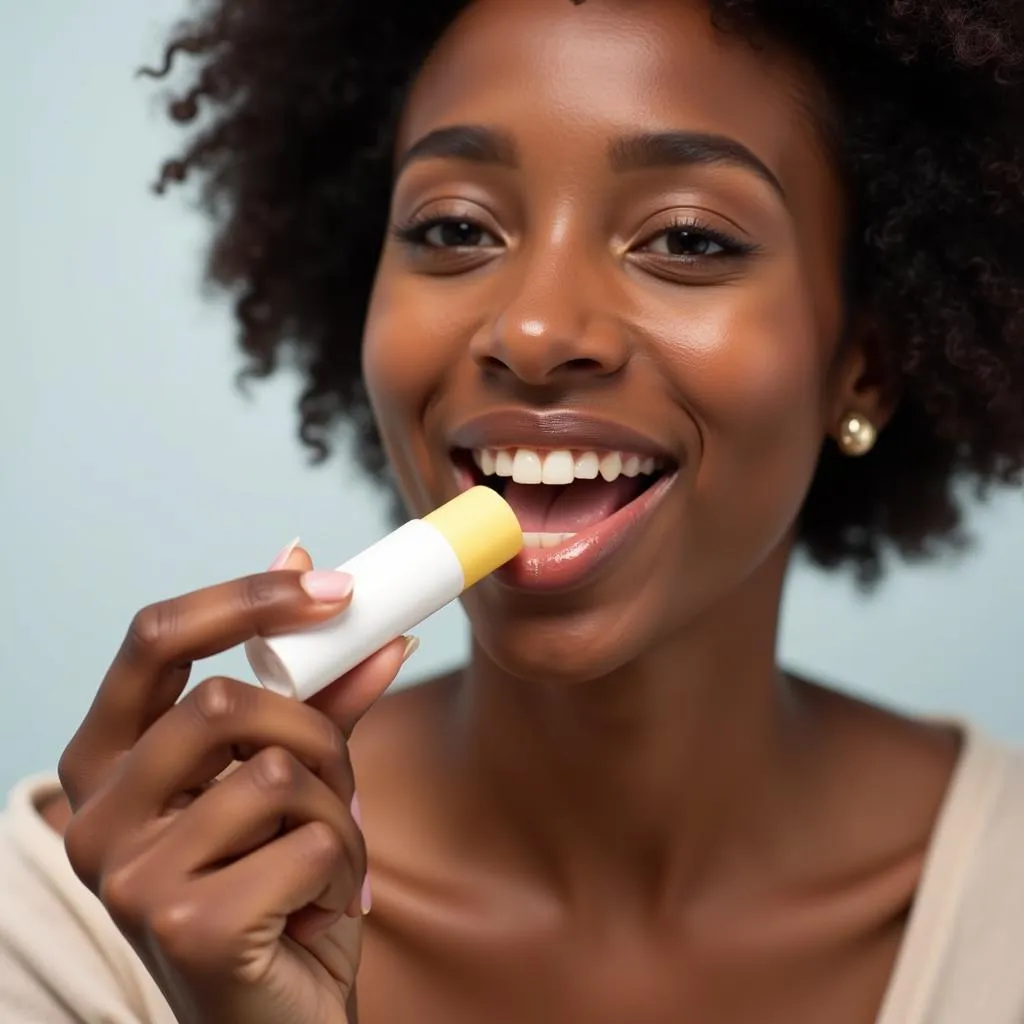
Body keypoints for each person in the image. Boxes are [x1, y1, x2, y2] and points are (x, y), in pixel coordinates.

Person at [3, 0, 1024, 1021]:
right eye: (453, 228)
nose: (533, 330)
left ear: (867, 367)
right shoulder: (84, 925)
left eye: (684, 237)